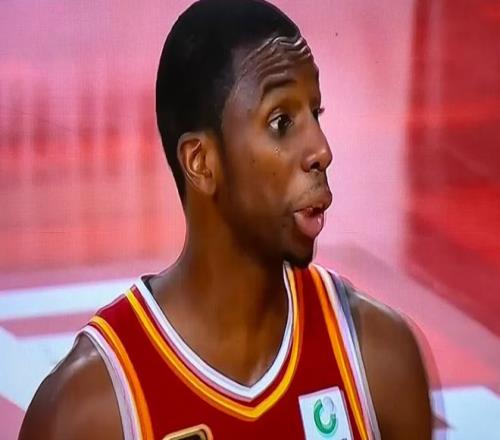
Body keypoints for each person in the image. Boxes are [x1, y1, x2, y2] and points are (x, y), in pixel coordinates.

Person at [19, 0, 432, 438]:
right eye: (281, 122)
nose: (321, 150)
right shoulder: (89, 410)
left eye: (315, 113)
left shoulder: (377, 361)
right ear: (201, 162)